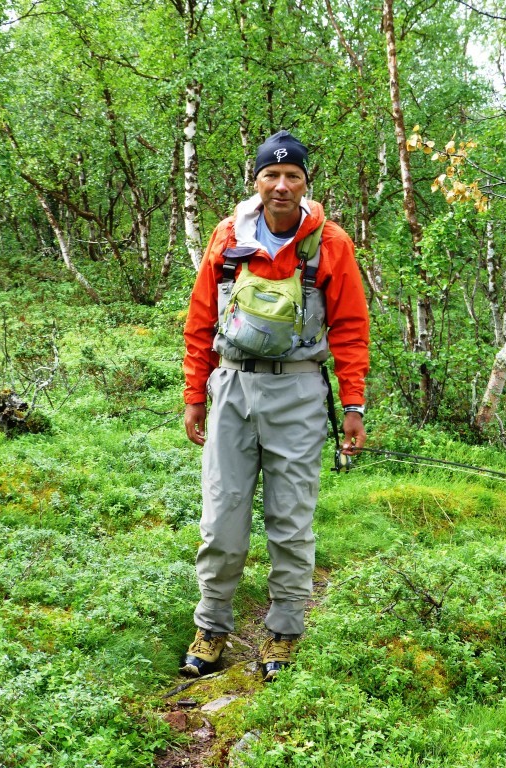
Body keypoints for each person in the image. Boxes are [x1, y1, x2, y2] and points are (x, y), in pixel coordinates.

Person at [181, 130, 369, 681]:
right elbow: (201, 320)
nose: (282, 186)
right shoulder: (226, 238)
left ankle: (283, 632)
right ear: (257, 181)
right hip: (233, 388)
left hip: (300, 391)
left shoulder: (329, 243)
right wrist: (196, 392)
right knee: (221, 516)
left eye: (293, 177)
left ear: (306, 183)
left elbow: (352, 328)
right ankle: (212, 625)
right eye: (272, 176)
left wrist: (353, 404)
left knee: (291, 520)